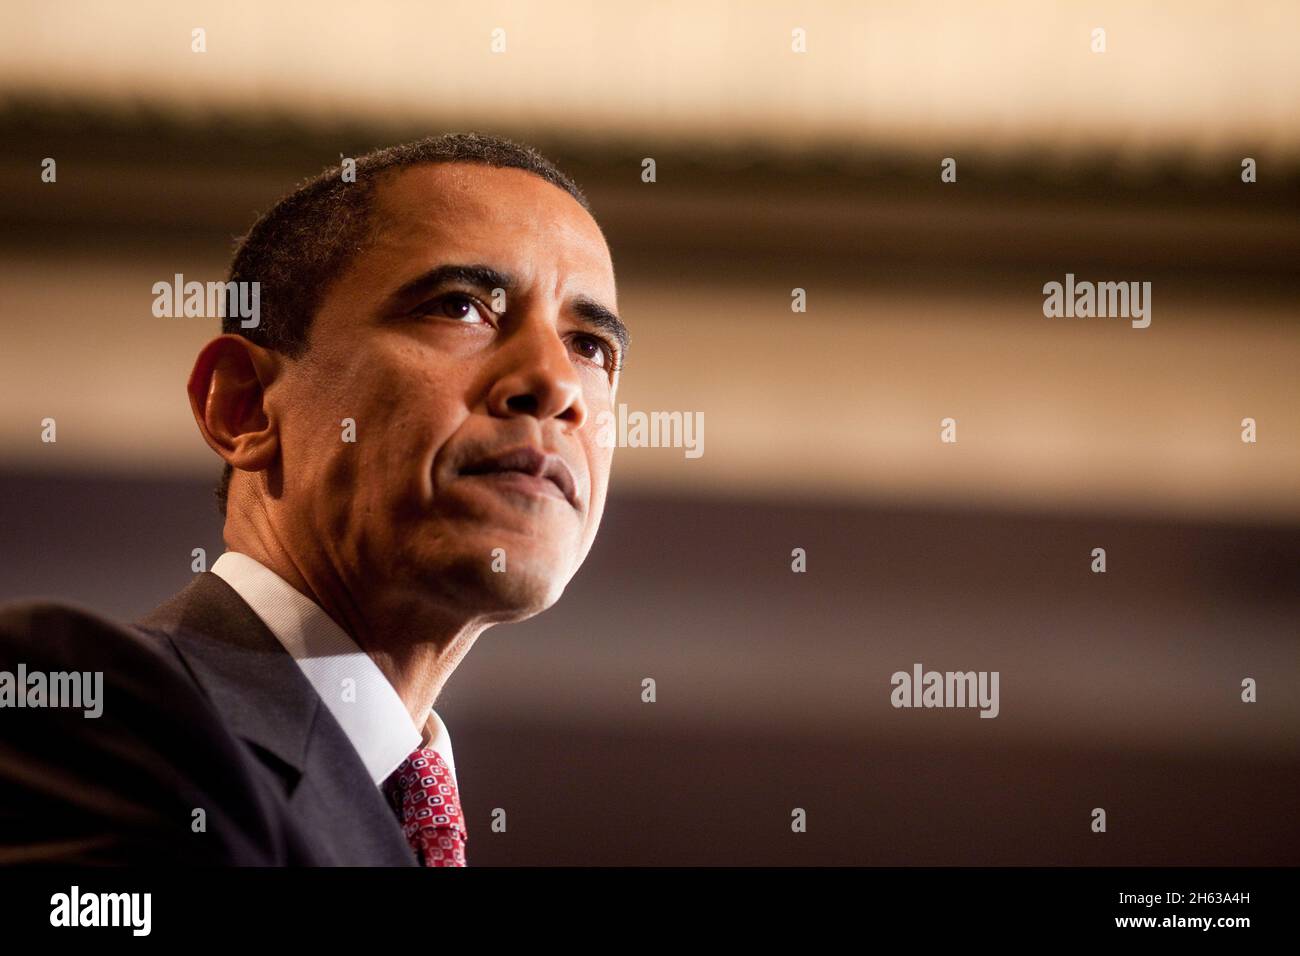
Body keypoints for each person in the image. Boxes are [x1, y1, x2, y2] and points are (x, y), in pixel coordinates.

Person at [0, 132, 627, 865]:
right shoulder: (91, 714)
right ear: (245, 407)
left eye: (591, 348)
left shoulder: (404, 817)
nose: (555, 386)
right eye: (461, 307)